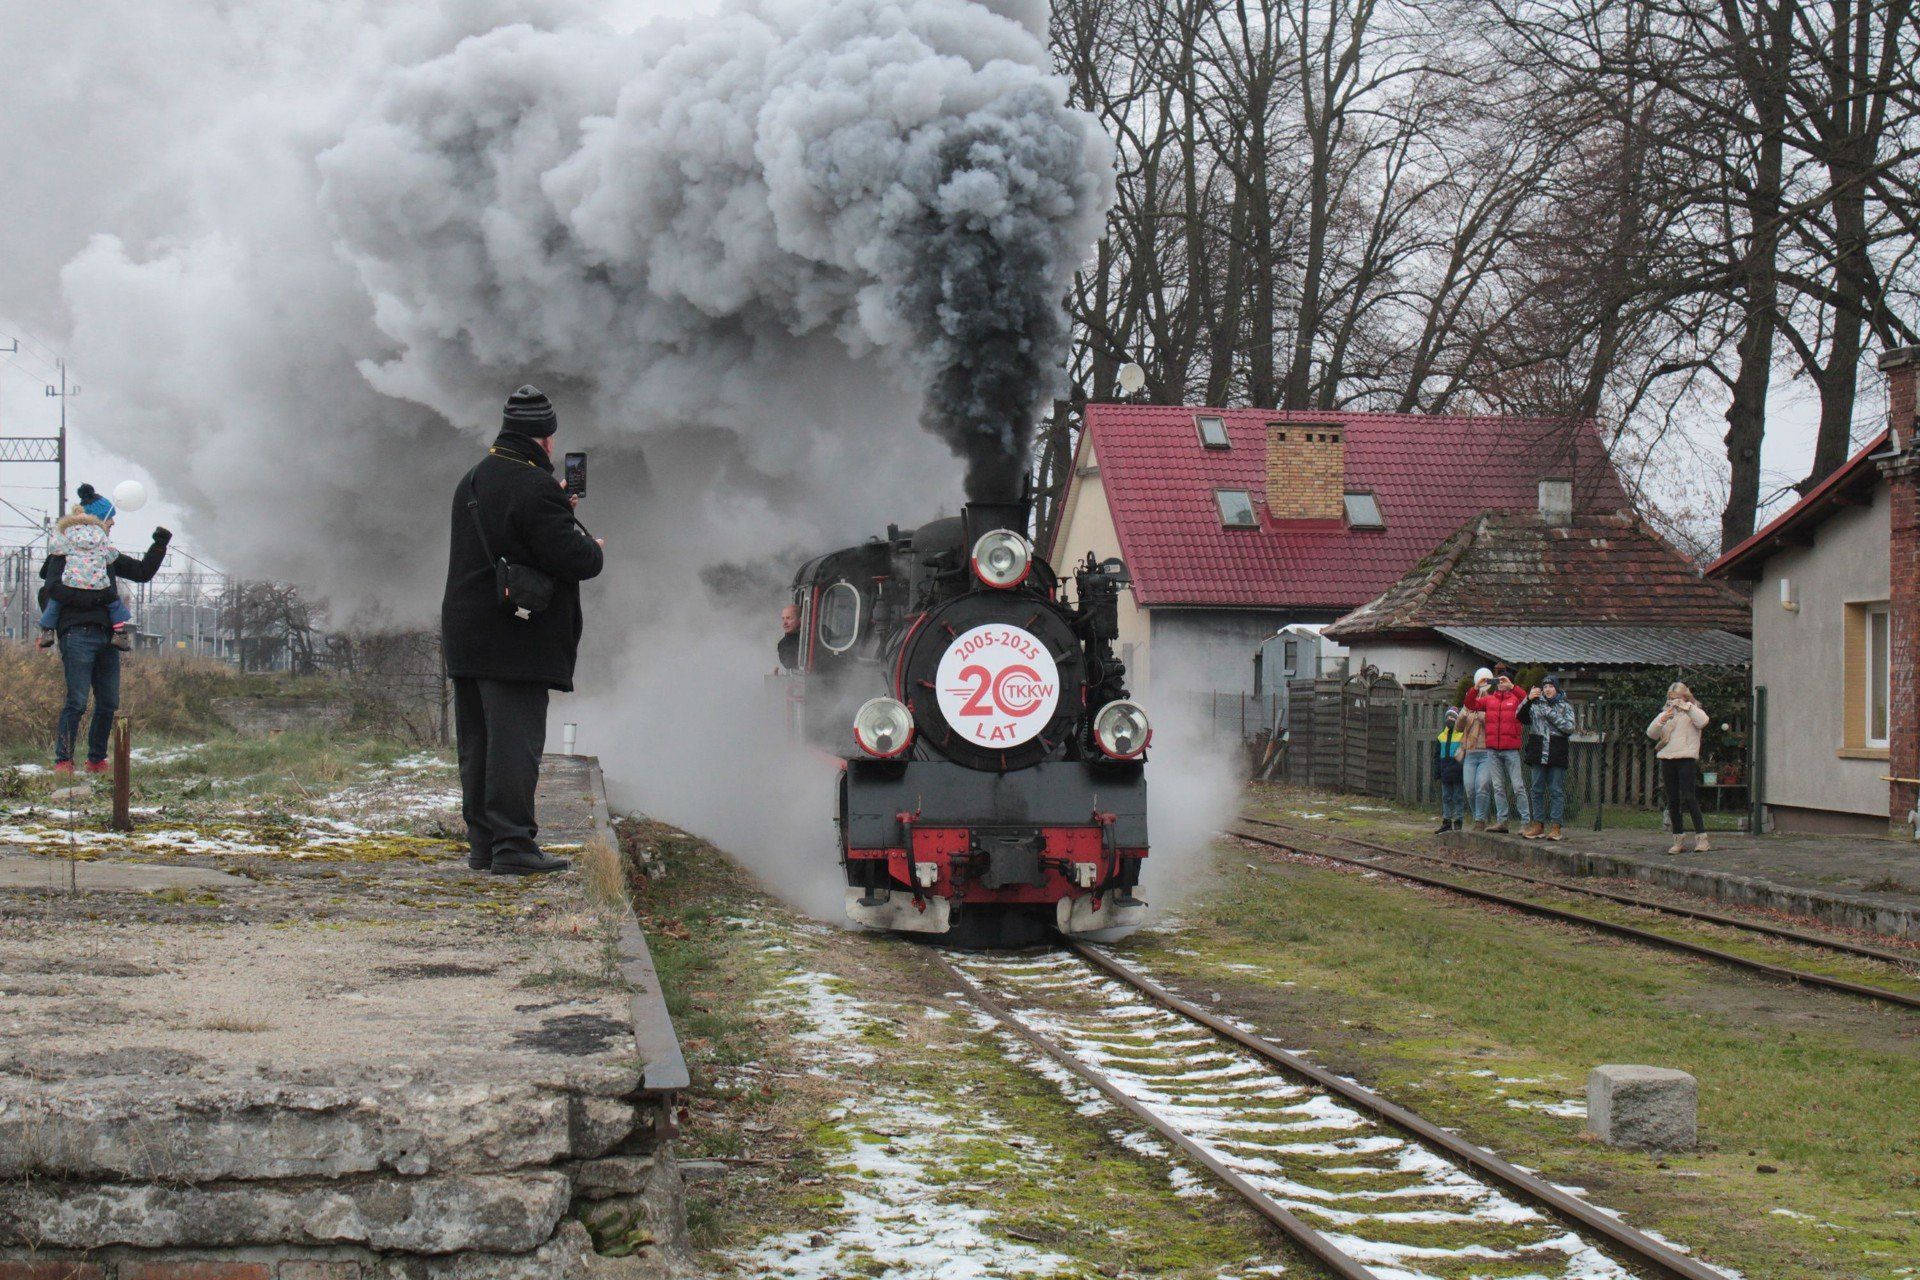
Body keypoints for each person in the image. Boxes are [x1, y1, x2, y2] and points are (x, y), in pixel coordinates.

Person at [442, 385, 605, 877]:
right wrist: (588, 541)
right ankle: (514, 844)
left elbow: (518, 538)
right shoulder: (534, 486)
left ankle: (484, 845)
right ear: (546, 440)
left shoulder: (472, 480)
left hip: (468, 634)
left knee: (479, 744)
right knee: (515, 745)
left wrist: (557, 513)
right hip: (515, 637)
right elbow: (577, 559)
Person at [37, 501, 171, 774]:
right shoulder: (62, 555)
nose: (113, 525)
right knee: (76, 701)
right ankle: (63, 760)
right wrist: (96, 596)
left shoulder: (106, 555)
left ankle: (96, 760)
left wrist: (159, 545)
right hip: (76, 634)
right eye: (110, 520)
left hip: (108, 637)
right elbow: (51, 588)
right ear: (93, 522)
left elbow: (141, 572)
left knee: (108, 702)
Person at [38, 486, 136, 652]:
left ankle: (47, 631)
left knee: (54, 603)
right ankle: (120, 634)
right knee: (115, 605)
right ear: (97, 519)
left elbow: (54, 549)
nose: (112, 522)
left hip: (71, 582)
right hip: (99, 586)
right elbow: (111, 556)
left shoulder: (66, 536)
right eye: (109, 518)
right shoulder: (101, 538)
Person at [1463, 663, 1530, 833]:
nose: (1500, 683)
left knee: (1518, 786)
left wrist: (1513, 687)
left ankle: (1525, 822)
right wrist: (1475, 687)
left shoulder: (1515, 699)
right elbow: (1471, 704)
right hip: (1493, 750)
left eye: (1504, 680)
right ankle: (1502, 821)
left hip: (1511, 750)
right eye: (1499, 680)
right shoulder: (1490, 699)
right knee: (1498, 787)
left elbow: (1527, 700)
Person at [1648, 682, 1711, 854]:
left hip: (1686, 758)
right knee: (1673, 800)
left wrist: (1687, 707)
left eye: (1675, 698)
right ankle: (1678, 838)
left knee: (1689, 797)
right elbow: (1651, 733)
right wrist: (1663, 719)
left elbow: (1703, 721)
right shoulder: (1667, 714)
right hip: (1667, 758)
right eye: (1670, 698)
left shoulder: (1692, 711)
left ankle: (1702, 838)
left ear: (1684, 697)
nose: (1673, 701)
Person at [1518, 673, 1575, 841]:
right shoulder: (1535, 704)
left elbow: (1569, 727)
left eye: (1551, 686)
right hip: (1538, 751)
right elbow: (1520, 716)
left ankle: (1556, 827)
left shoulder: (1565, 706)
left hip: (1557, 752)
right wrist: (1528, 699)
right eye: (1545, 687)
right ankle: (1538, 824)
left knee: (1556, 790)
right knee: (1536, 789)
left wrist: (1550, 713)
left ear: (1556, 689)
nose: (1547, 689)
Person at [1457, 676, 1491, 829]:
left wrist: (1482, 713)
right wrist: (1465, 712)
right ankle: (1478, 814)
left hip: (1486, 752)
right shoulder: (1468, 707)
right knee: (1470, 788)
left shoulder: (1489, 704)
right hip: (1470, 752)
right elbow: (1458, 727)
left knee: (1481, 786)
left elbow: (1492, 725)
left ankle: (1480, 820)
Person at [1433, 707, 1466, 833]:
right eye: (1448, 717)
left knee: (1458, 797)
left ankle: (1458, 820)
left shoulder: (1462, 735)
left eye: (1453, 717)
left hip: (1458, 772)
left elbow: (1464, 752)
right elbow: (1436, 756)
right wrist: (1437, 772)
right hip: (1445, 771)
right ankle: (1446, 821)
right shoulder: (1441, 736)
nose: (1450, 719)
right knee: (1446, 797)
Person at [776, 603, 801, 671]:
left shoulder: (822, 633)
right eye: (783, 619)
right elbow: (789, 664)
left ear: (800, 620)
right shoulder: (783, 644)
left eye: (789, 618)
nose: (784, 623)